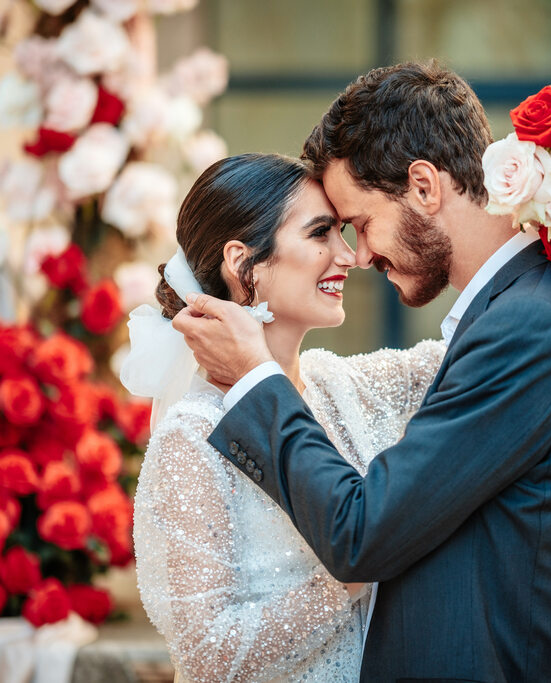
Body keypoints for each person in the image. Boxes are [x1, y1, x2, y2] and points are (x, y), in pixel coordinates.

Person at [173, 62, 551, 682]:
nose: (359, 256)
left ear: (423, 186)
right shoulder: (518, 312)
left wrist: (256, 378)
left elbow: (363, 534)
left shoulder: (529, 326)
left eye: (360, 225)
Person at [125, 153, 445, 682]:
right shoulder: (192, 439)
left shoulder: (346, 385)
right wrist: (354, 569)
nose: (349, 256)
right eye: (321, 233)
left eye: (344, 232)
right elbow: (209, 653)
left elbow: (476, 348)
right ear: (243, 262)